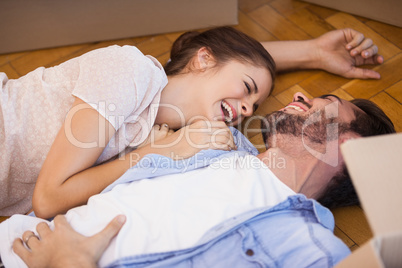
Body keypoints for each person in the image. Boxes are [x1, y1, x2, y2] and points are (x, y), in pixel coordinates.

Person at [0, 26, 383, 218]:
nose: (248, 110)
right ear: (202, 59)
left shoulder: (165, 127)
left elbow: (227, 66)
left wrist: (314, 51)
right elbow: (49, 200)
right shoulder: (129, 71)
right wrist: (160, 150)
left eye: (255, 104)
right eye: (248, 89)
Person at [1, 92, 395, 267]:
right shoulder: (213, 140)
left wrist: (66, 262)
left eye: (324, 104)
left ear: (346, 145)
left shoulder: (310, 250)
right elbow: (195, 69)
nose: (300, 93)